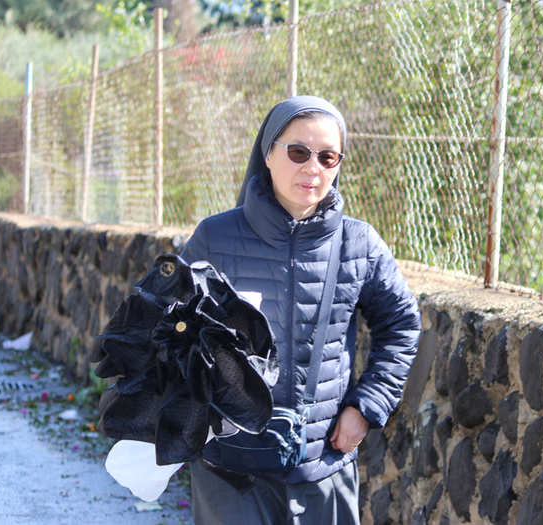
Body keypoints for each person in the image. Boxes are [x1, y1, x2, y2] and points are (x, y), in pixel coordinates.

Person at [180, 95, 421, 524]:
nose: (313, 168)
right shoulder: (215, 238)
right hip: (229, 467)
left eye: (328, 157)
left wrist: (365, 407)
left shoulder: (358, 244)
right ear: (269, 153)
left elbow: (402, 323)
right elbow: (170, 325)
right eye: (298, 152)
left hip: (322, 463)